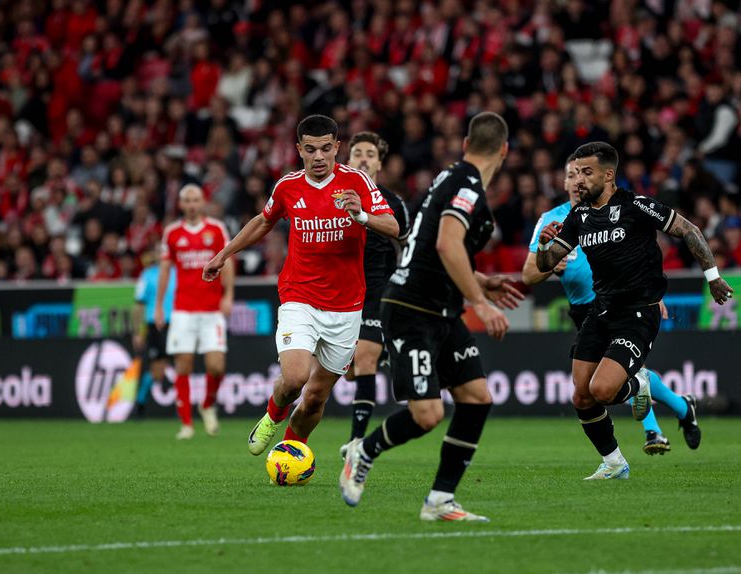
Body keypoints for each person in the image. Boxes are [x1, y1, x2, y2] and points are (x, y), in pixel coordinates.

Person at [339, 112, 524, 522]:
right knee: (428, 415)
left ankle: (440, 499)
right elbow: (446, 244)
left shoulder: (448, 178)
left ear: (465, 145)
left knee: (477, 397)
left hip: (439, 308)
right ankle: (363, 452)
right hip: (412, 309)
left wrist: (481, 281)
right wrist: (479, 301)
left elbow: (425, 246)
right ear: (504, 151)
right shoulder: (468, 186)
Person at [202, 114, 400, 455]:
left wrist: (362, 216)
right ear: (299, 150)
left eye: (326, 149)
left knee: (315, 397)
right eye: (311, 150)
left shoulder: (357, 183)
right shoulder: (287, 186)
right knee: (295, 379)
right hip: (299, 297)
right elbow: (263, 222)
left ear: (337, 147)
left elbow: (394, 227)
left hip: (347, 306)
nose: (319, 157)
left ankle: (291, 450)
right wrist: (224, 254)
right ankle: (271, 416)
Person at [535, 142, 733, 480]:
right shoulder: (578, 215)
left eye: (587, 172)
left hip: (638, 313)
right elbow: (546, 264)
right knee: (581, 396)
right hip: (601, 311)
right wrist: (543, 244)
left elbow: (689, 230)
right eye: (576, 173)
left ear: (608, 175)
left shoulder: (636, 205)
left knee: (602, 391)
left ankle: (637, 387)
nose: (579, 180)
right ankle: (614, 463)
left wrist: (712, 277)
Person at [341, 132, 410, 452]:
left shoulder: (393, 203)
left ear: (380, 163)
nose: (364, 158)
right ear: (348, 160)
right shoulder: (333, 196)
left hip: (377, 290)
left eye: (370, 153)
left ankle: (356, 441)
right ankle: (380, 353)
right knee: (351, 371)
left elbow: (409, 245)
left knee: (364, 359)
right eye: (357, 153)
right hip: (338, 293)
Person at [157, 185, 234, 440]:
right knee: (183, 366)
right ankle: (187, 425)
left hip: (212, 310)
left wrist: (228, 295)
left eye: (195, 200)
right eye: (187, 200)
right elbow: (165, 270)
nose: (191, 205)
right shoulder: (172, 233)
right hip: (183, 310)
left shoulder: (216, 229)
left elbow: (228, 261)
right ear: (181, 204)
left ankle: (208, 403)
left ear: (203, 202)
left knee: (216, 366)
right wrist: (158, 306)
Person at [131, 247, 176, 418]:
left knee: (182, 364)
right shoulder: (147, 275)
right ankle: (140, 402)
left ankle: (183, 408)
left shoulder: (178, 273)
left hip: (178, 324)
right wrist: (137, 332)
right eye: (159, 251)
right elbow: (139, 304)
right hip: (156, 326)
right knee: (157, 370)